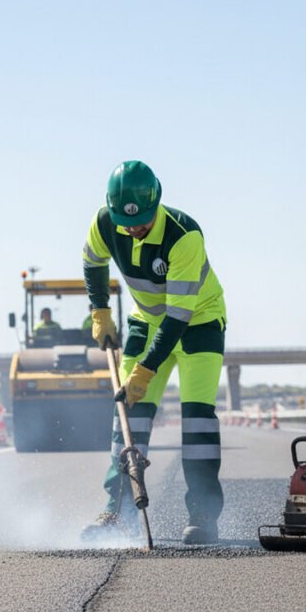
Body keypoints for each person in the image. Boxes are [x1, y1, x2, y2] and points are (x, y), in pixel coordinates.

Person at [80, 160, 227, 545]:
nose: (133, 228)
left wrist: (145, 371)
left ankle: (203, 515)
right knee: (128, 415)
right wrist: (100, 310)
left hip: (199, 321)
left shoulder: (184, 235)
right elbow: (93, 261)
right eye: (126, 222)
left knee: (197, 420)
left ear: (157, 203)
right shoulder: (104, 223)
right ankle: (119, 511)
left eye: (142, 221)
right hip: (146, 320)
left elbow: (178, 317)